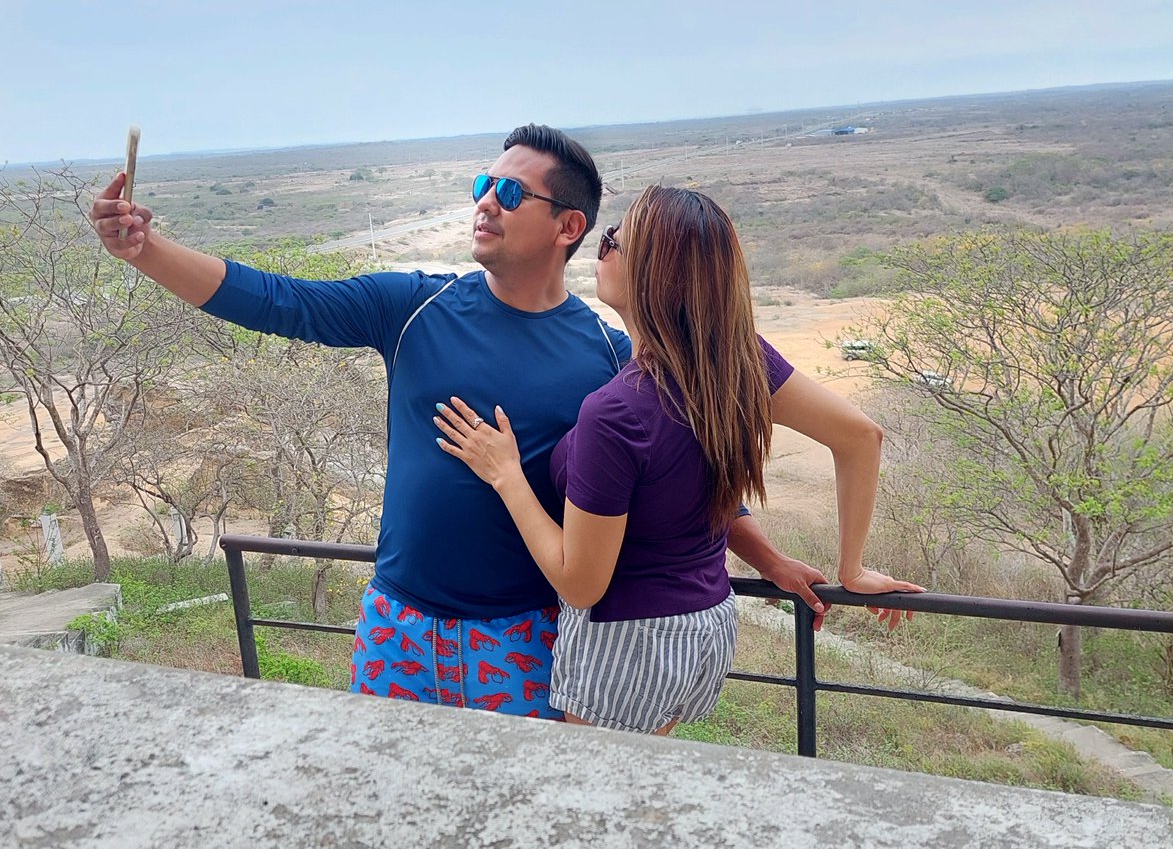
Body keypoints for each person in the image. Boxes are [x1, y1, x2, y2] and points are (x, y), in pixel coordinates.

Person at [89, 123, 832, 718]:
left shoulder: (609, 356)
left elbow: (680, 477)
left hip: (529, 635)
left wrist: (767, 560)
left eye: (510, 192)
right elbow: (277, 300)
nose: (485, 202)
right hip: (398, 623)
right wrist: (144, 248)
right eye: (483, 184)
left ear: (568, 225)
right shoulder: (412, 307)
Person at [435, 185, 923, 734]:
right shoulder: (739, 361)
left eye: (616, 241)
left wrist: (506, 475)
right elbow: (859, 437)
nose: (602, 247)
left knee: (601, 806)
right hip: (705, 629)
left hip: (626, 643)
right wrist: (844, 569)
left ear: (657, 274)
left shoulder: (615, 412)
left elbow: (580, 584)